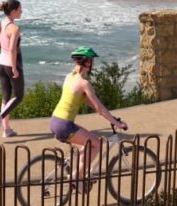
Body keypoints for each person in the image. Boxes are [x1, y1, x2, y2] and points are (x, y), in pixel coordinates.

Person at [48, 46, 129, 186]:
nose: (92, 63)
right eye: (91, 60)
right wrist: (117, 123)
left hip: (55, 121)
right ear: (87, 62)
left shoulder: (69, 77)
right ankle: (77, 178)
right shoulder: (84, 83)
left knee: (87, 143)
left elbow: (90, 103)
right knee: (97, 145)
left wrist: (111, 117)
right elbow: (99, 108)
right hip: (65, 125)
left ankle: (80, 174)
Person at [0, 0, 23, 138]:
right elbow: (12, 50)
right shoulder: (14, 28)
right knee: (18, 97)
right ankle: (0, 116)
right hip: (12, 64)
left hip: (1, 64)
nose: (21, 11)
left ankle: (7, 129)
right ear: (13, 11)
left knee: (6, 97)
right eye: (20, 9)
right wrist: (14, 68)